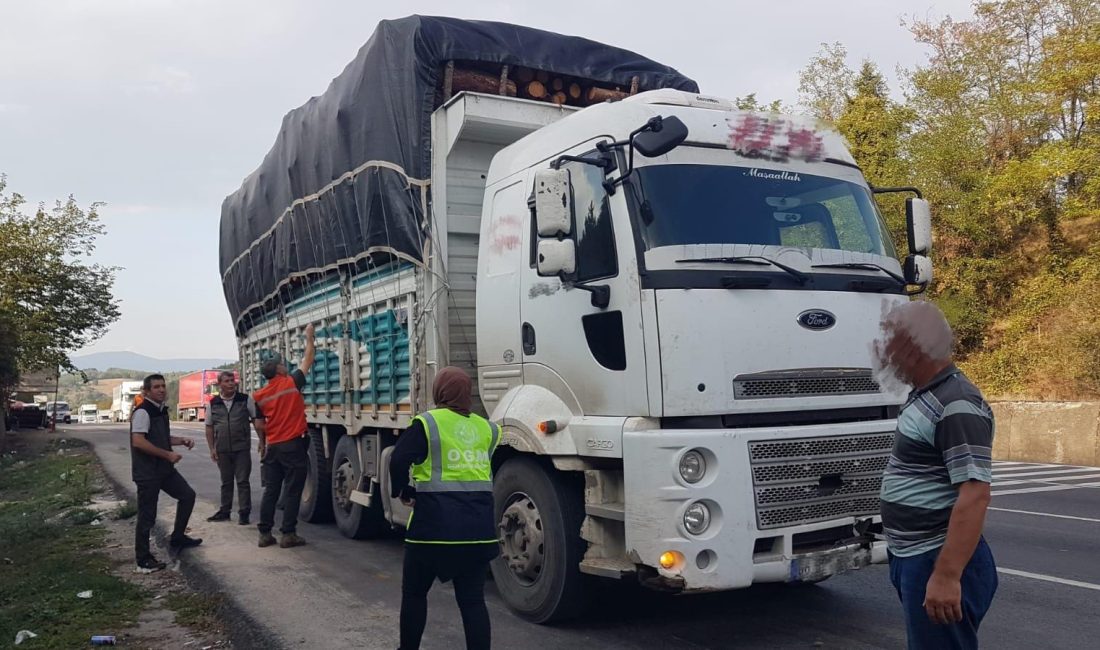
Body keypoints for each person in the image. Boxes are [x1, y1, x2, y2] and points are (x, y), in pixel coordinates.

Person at [874, 301, 997, 649]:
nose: (885, 353)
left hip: (936, 557)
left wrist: (945, 576)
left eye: (892, 342)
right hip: (916, 556)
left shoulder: (956, 403)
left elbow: (975, 495)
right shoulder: (927, 396)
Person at [390, 366, 500, 650]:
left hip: (432, 531)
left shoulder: (427, 423)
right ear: (467, 393)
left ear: (439, 391)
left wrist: (403, 490)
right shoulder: (487, 428)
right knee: (473, 601)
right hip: (477, 532)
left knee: (414, 594)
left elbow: (398, 459)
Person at [130, 373, 202, 573]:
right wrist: (167, 455)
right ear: (146, 391)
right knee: (147, 516)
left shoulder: (160, 411)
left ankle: (178, 537)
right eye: (156, 387)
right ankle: (143, 560)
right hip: (148, 472)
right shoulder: (143, 411)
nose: (161, 389)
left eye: (163, 386)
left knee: (187, 495)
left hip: (163, 470)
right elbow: (139, 441)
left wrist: (180, 440)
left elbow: (159, 436)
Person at [252, 324, 315, 549]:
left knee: (272, 490)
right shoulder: (291, 383)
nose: (285, 366)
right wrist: (309, 338)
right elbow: (308, 360)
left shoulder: (259, 395)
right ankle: (288, 534)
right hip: (293, 445)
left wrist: (262, 443)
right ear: (278, 371)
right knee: (292, 489)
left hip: (274, 447)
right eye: (282, 364)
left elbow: (259, 424)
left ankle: (265, 533)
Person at [204, 371, 261, 525]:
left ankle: (244, 513)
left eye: (232, 380)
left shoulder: (244, 400)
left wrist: (262, 441)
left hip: (241, 448)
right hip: (222, 449)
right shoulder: (213, 403)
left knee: (242, 481)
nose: (231, 383)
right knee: (226, 481)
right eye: (227, 381)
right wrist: (212, 448)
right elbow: (209, 427)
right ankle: (225, 511)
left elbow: (256, 421)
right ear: (220, 384)